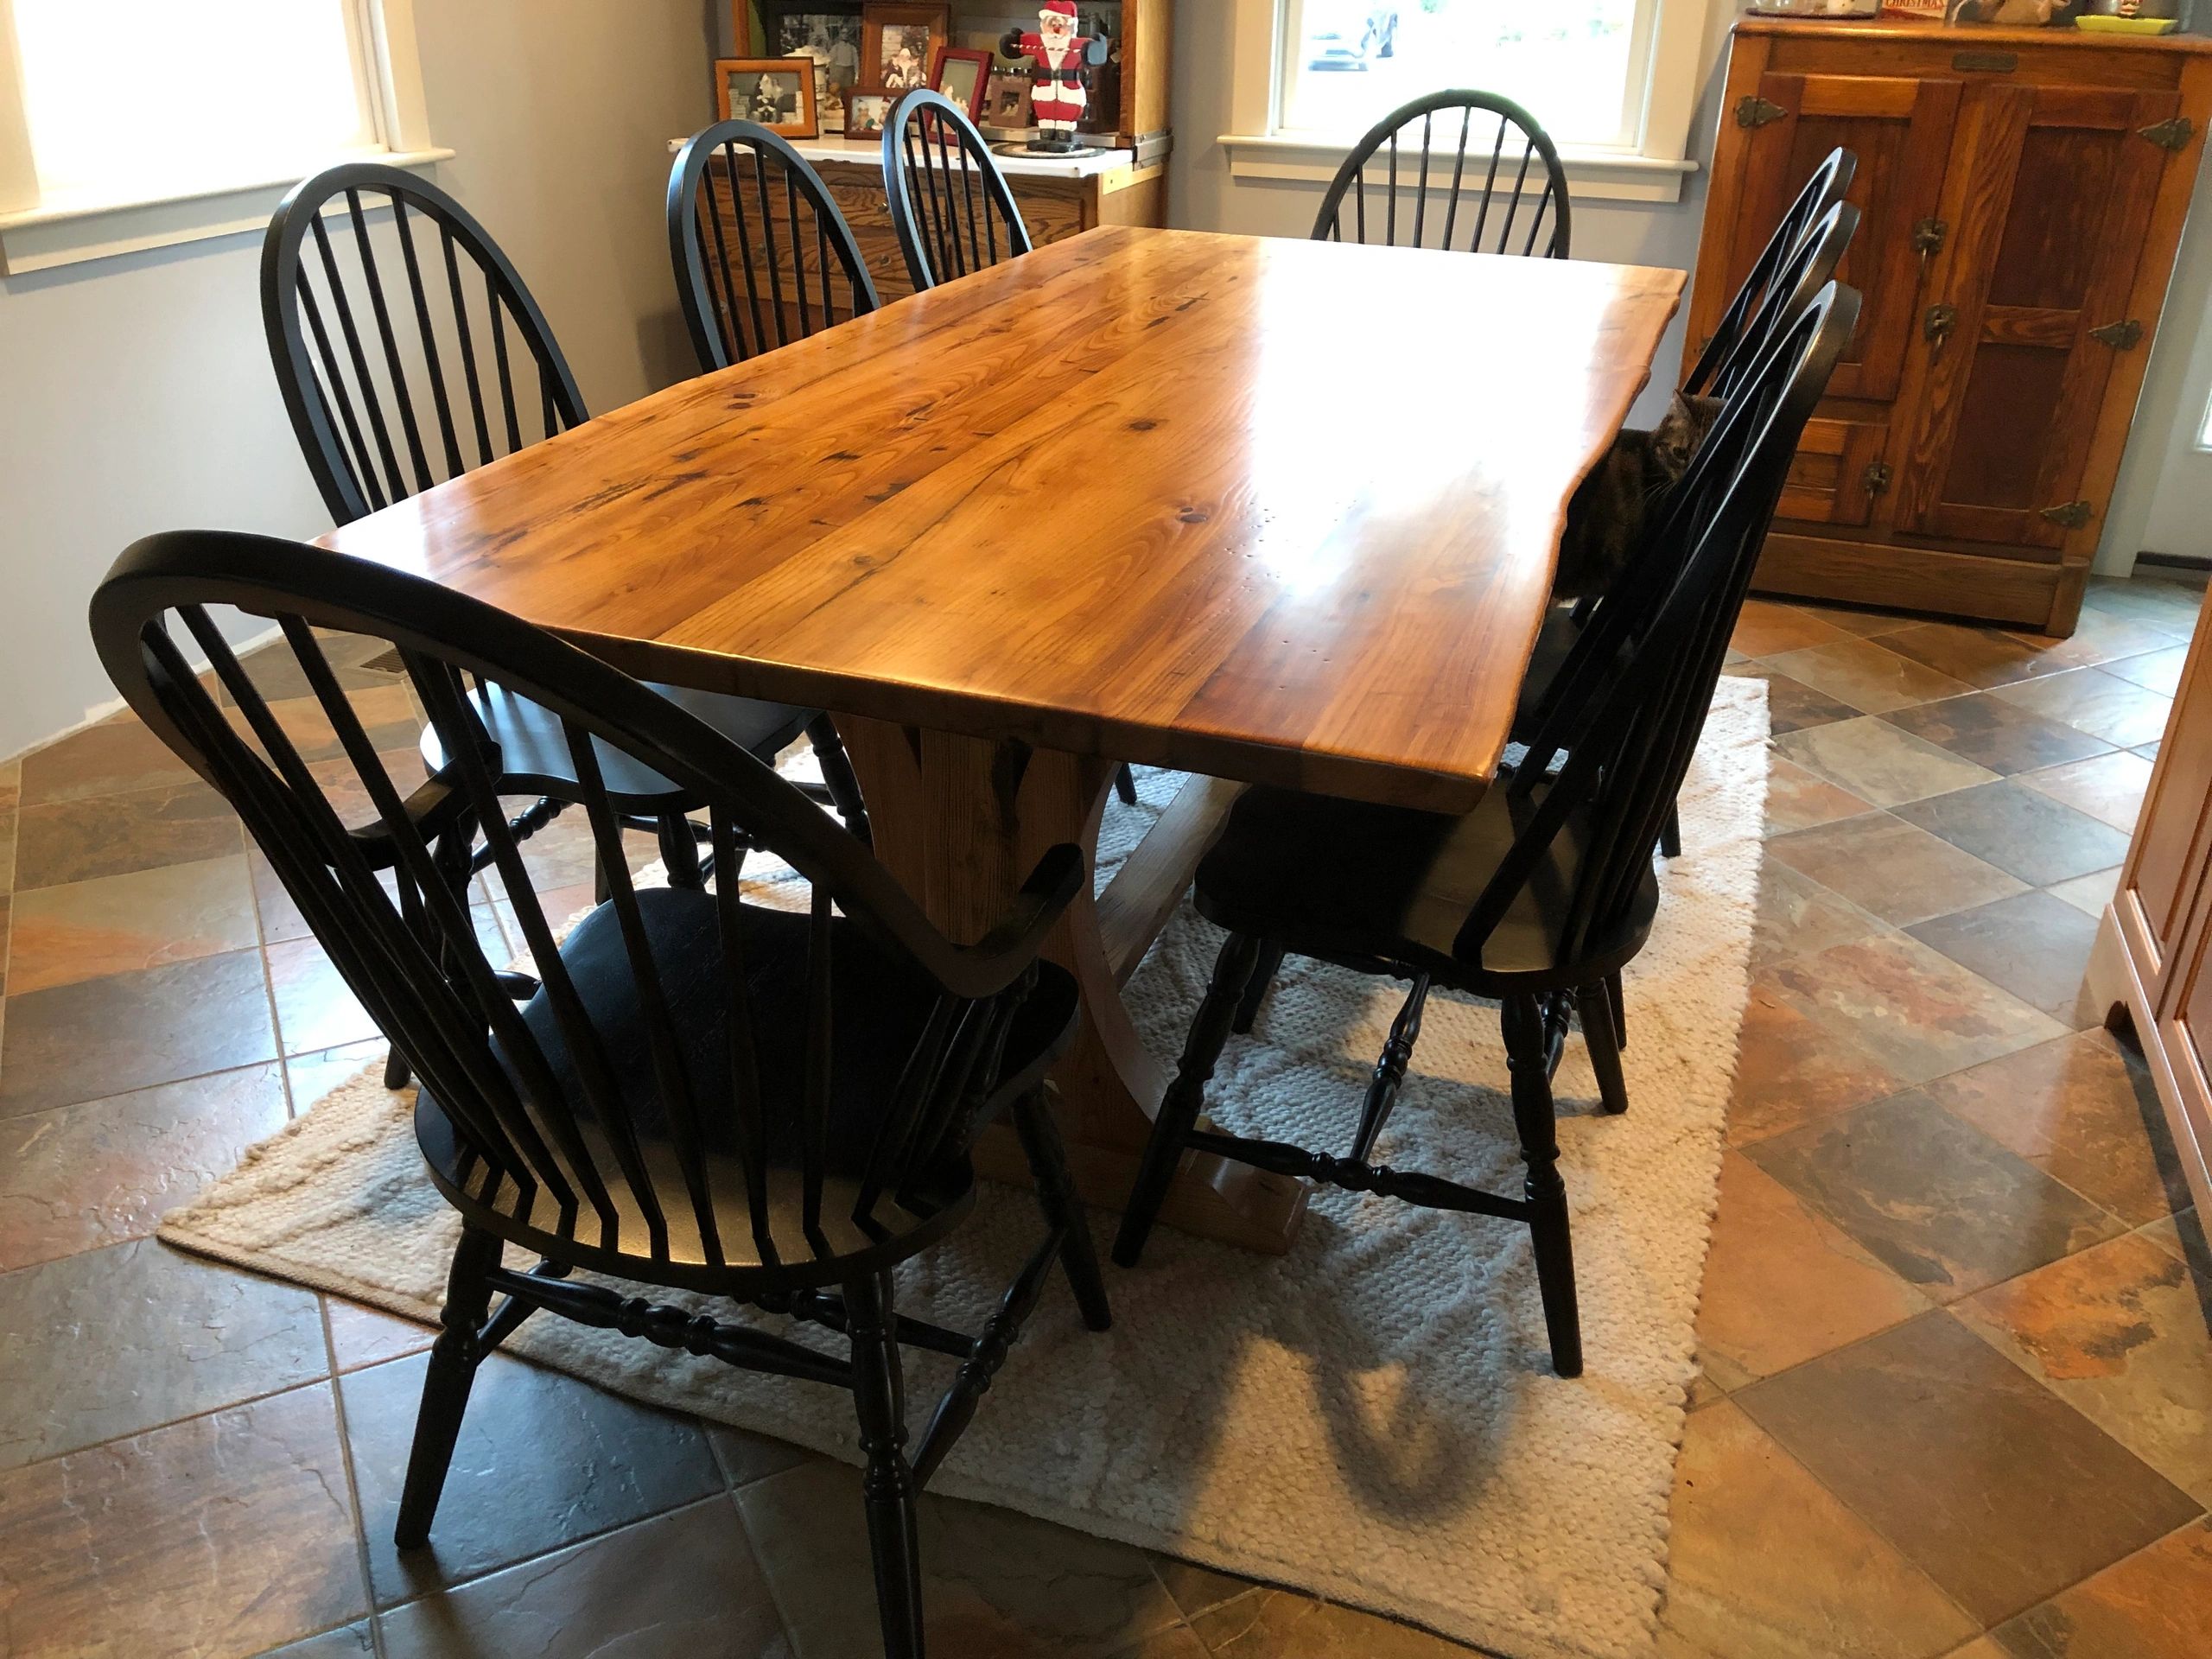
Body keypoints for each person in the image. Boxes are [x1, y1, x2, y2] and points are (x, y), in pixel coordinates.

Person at [1000, 2, 1107, 152]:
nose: (1056, 29)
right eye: (1052, 24)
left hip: (1068, 84)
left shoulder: (1076, 45)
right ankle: (1046, 135)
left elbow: (1095, 51)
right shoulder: (1039, 43)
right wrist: (1012, 42)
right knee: (1044, 107)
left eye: (1060, 25)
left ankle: (1064, 136)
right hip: (1045, 84)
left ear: (1071, 26)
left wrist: (1096, 48)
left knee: (1068, 108)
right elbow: (1020, 44)